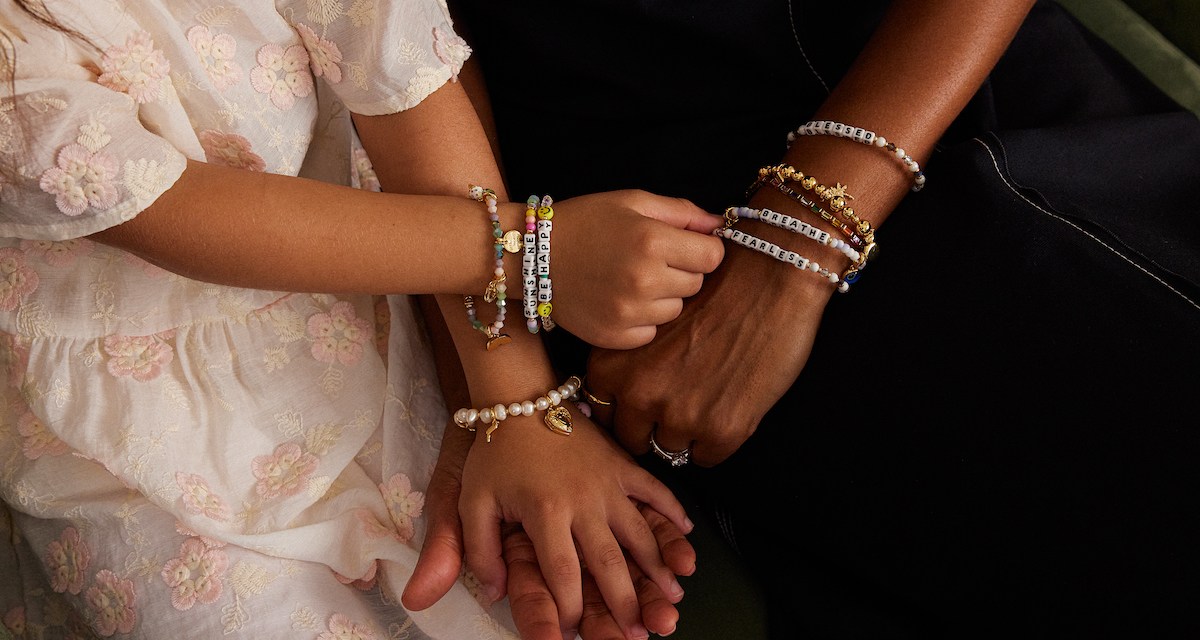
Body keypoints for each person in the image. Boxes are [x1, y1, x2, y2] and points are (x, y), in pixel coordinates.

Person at [434, 0, 1200, 636]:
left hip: (924, 83)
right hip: (621, 244)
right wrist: (510, 388)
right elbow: (399, 57)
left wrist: (793, 245)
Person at [0, 1, 727, 638]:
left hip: (381, 291)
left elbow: (400, 74)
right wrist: (538, 251)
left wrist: (516, 407)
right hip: (130, 428)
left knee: (503, 578)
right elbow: (166, 208)